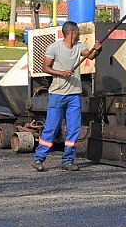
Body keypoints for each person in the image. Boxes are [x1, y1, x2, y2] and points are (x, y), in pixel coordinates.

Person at [33, 20, 100, 172]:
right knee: (51, 127)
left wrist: (97, 50)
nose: (79, 34)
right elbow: (45, 67)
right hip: (57, 94)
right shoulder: (54, 48)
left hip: (74, 95)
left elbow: (91, 56)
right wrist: (62, 73)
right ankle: (39, 158)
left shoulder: (79, 46)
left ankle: (68, 160)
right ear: (72, 32)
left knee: (74, 129)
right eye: (77, 31)